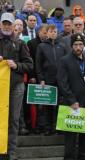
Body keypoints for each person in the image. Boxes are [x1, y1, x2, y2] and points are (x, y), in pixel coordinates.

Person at [57, 33, 85, 160]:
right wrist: (71, 100)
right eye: (75, 45)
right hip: (71, 106)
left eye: (80, 44)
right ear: (71, 46)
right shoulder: (64, 61)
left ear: (84, 45)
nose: (78, 47)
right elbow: (62, 83)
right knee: (70, 139)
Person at [0, 12, 33, 160]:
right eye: (4, 23)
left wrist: (17, 65)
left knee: (13, 120)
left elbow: (29, 65)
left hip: (16, 87)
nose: (7, 26)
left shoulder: (20, 43)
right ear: (0, 24)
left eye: (9, 24)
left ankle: (11, 152)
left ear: (14, 26)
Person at [35, 24, 67, 135]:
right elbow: (38, 64)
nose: (53, 33)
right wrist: (41, 78)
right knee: (48, 105)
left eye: (55, 31)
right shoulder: (41, 46)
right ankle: (48, 127)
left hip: (60, 80)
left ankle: (58, 126)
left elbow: (65, 63)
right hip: (48, 79)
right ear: (47, 33)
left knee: (60, 104)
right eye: (51, 31)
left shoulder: (62, 46)